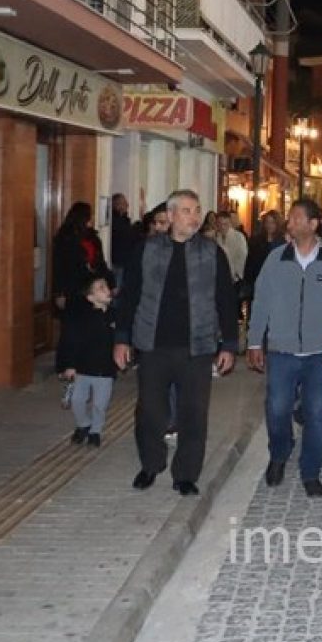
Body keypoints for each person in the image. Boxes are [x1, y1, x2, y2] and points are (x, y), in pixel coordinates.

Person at [114, 189, 239, 496]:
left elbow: (226, 299)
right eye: (186, 210)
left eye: (197, 210)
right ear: (169, 216)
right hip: (153, 345)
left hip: (197, 348)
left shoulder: (211, 252)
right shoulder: (146, 250)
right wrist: (121, 339)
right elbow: (129, 296)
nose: (194, 217)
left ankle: (186, 474)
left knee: (194, 413)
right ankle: (151, 464)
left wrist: (229, 343)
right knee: (151, 412)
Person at [247, 199, 322, 493]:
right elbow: (261, 300)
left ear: (313, 224)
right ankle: (279, 452)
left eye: (296, 219)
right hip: (282, 351)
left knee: (316, 412)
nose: (290, 223)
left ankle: (310, 470)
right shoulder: (276, 259)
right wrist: (254, 341)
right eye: (290, 219)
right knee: (277, 408)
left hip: (319, 353)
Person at [57, 273, 118, 448]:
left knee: (100, 404)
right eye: (101, 288)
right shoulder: (81, 318)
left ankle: (95, 431)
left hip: (105, 369)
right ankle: (83, 424)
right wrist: (69, 364)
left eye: (106, 286)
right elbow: (71, 341)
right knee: (77, 400)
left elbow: (123, 340)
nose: (107, 291)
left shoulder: (115, 316)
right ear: (90, 297)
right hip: (82, 368)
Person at [52, 202, 111, 312]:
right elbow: (59, 267)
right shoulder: (65, 239)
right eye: (90, 215)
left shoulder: (94, 239)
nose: (92, 218)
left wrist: (109, 282)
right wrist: (59, 292)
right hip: (73, 288)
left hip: (92, 287)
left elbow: (100, 262)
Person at [243, 210, 285, 299]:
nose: (269, 225)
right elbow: (250, 262)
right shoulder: (256, 240)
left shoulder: (282, 242)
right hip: (258, 280)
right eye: (267, 222)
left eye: (272, 222)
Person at [214, 210, 248, 286]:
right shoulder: (215, 238)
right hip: (219, 278)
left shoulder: (239, 237)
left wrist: (237, 275)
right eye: (220, 224)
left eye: (225, 224)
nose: (222, 227)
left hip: (234, 278)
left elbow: (242, 256)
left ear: (229, 223)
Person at [110, 193, 136, 287]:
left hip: (125, 261)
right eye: (124, 203)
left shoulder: (124, 220)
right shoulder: (115, 222)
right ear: (117, 205)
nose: (127, 205)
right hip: (118, 261)